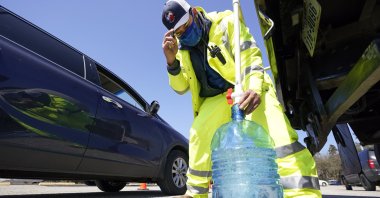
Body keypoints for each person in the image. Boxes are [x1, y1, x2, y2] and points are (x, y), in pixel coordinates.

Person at [161, 0, 322, 197]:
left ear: (194, 12)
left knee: (278, 137)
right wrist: (171, 62)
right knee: (198, 134)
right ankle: (195, 193)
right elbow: (181, 87)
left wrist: (254, 88)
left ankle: (303, 192)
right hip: (214, 99)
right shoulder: (180, 49)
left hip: (244, 85)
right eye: (179, 32)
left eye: (186, 25)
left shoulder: (225, 21)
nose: (185, 33)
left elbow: (250, 56)